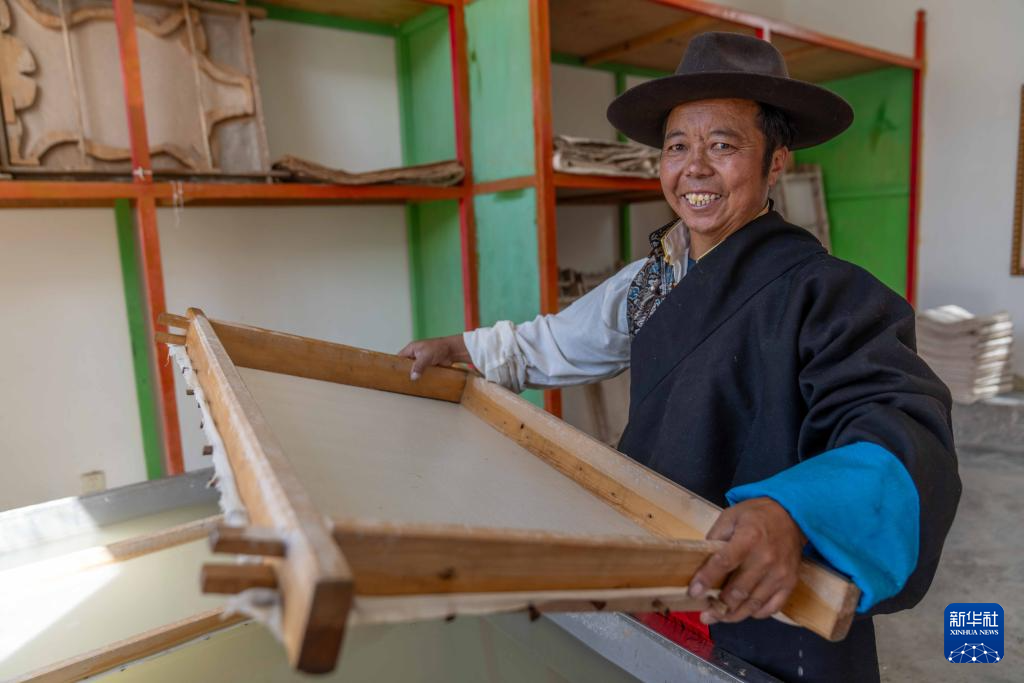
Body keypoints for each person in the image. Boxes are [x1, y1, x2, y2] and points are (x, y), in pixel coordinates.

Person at [399, 32, 961, 683]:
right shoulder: (652, 279)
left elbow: (899, 425)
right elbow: (558, 340)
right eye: (676, 147)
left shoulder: (831, 294)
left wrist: (791, 512)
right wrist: (462, 348)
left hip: (767, 596)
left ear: (776, 162)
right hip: (660, 571)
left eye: (723, 145)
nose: (694, 168)